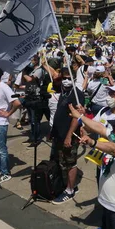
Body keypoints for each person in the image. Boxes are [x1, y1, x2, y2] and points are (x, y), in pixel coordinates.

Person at [48, 68, 86, 204]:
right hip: (58, 135)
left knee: (70, 163)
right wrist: (52, 132)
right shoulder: (64, 92)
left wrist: (69, 136)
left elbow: (77, 118)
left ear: (74, 79)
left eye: (69, 78)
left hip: (69, 136)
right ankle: (63, 184)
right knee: (61, 161)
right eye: (64, 78)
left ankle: (70, 190)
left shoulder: (77, 95)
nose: (66, 80)